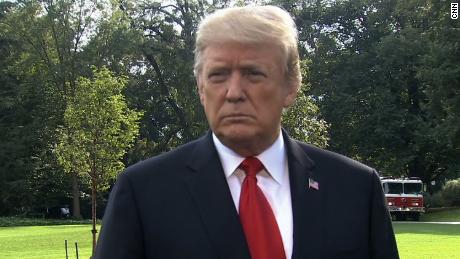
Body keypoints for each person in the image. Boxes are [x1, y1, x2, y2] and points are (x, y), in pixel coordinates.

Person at [94, 5, 399, 259]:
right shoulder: (143, 192)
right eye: (218, 75)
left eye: (253, 74)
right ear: (201, 88)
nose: (234, 92)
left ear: (291, 86)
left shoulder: (356, 189)